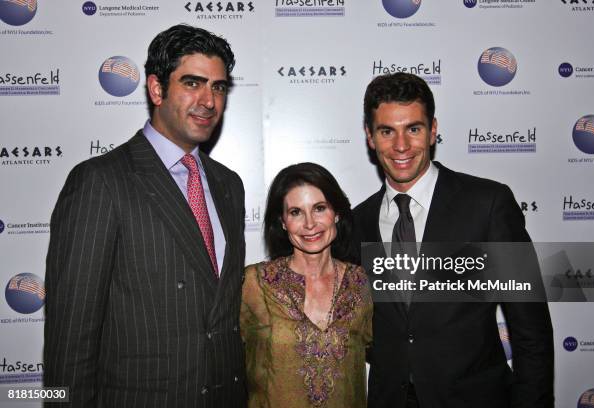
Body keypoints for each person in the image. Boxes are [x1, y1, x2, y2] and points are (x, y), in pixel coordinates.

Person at [44, 24, 246, 407]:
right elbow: (70, 341)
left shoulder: (228, 185)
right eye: (193, 83)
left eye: (218, 87)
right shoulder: (101, 181)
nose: (208, 100)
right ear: (156, 89)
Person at [352, 73, 554, 408]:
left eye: (413, 129)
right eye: (387, 131)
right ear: (370, 137)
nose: (400, 146)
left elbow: (530, 331)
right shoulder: (357, 222)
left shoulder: (487, 205)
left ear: (432, 131)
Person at [240, 162, 372, 408]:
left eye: (320, 208)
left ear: (337, 213)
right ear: (282, 221)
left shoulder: (361, 283)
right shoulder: (254, 284)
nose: (310, 224)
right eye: (296, 212)